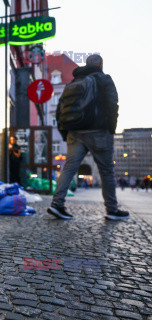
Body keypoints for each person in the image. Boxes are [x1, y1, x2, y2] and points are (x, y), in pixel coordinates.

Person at [48, 54, 129, 220]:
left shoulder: (73, 82)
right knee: (106, 170)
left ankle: (57, 204)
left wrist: (66, 133)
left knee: (69, 168)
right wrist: (110, 129)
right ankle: (112, 210)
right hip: (99, 131)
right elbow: (112, 103)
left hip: (74, 132)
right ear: (101, 64)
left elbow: (59, 110)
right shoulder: (104, 79)